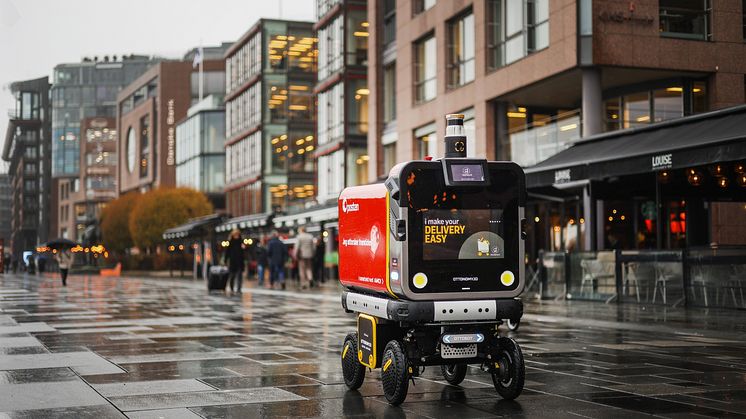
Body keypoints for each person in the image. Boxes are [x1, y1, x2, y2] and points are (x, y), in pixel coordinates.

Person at [224, 229, 245, 293]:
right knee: (232, 275)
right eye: (235, 235)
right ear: (232, 235)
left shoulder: (241, 242)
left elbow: (244, 252)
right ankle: (232, 287)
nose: (236, 236)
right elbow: (227, 252)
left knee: (239, 276)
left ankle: (239, 288)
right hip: (232, 261)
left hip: (240, 261)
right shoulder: (230, 242)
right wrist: (225, 260)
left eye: (237, 234)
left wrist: (244, 248)